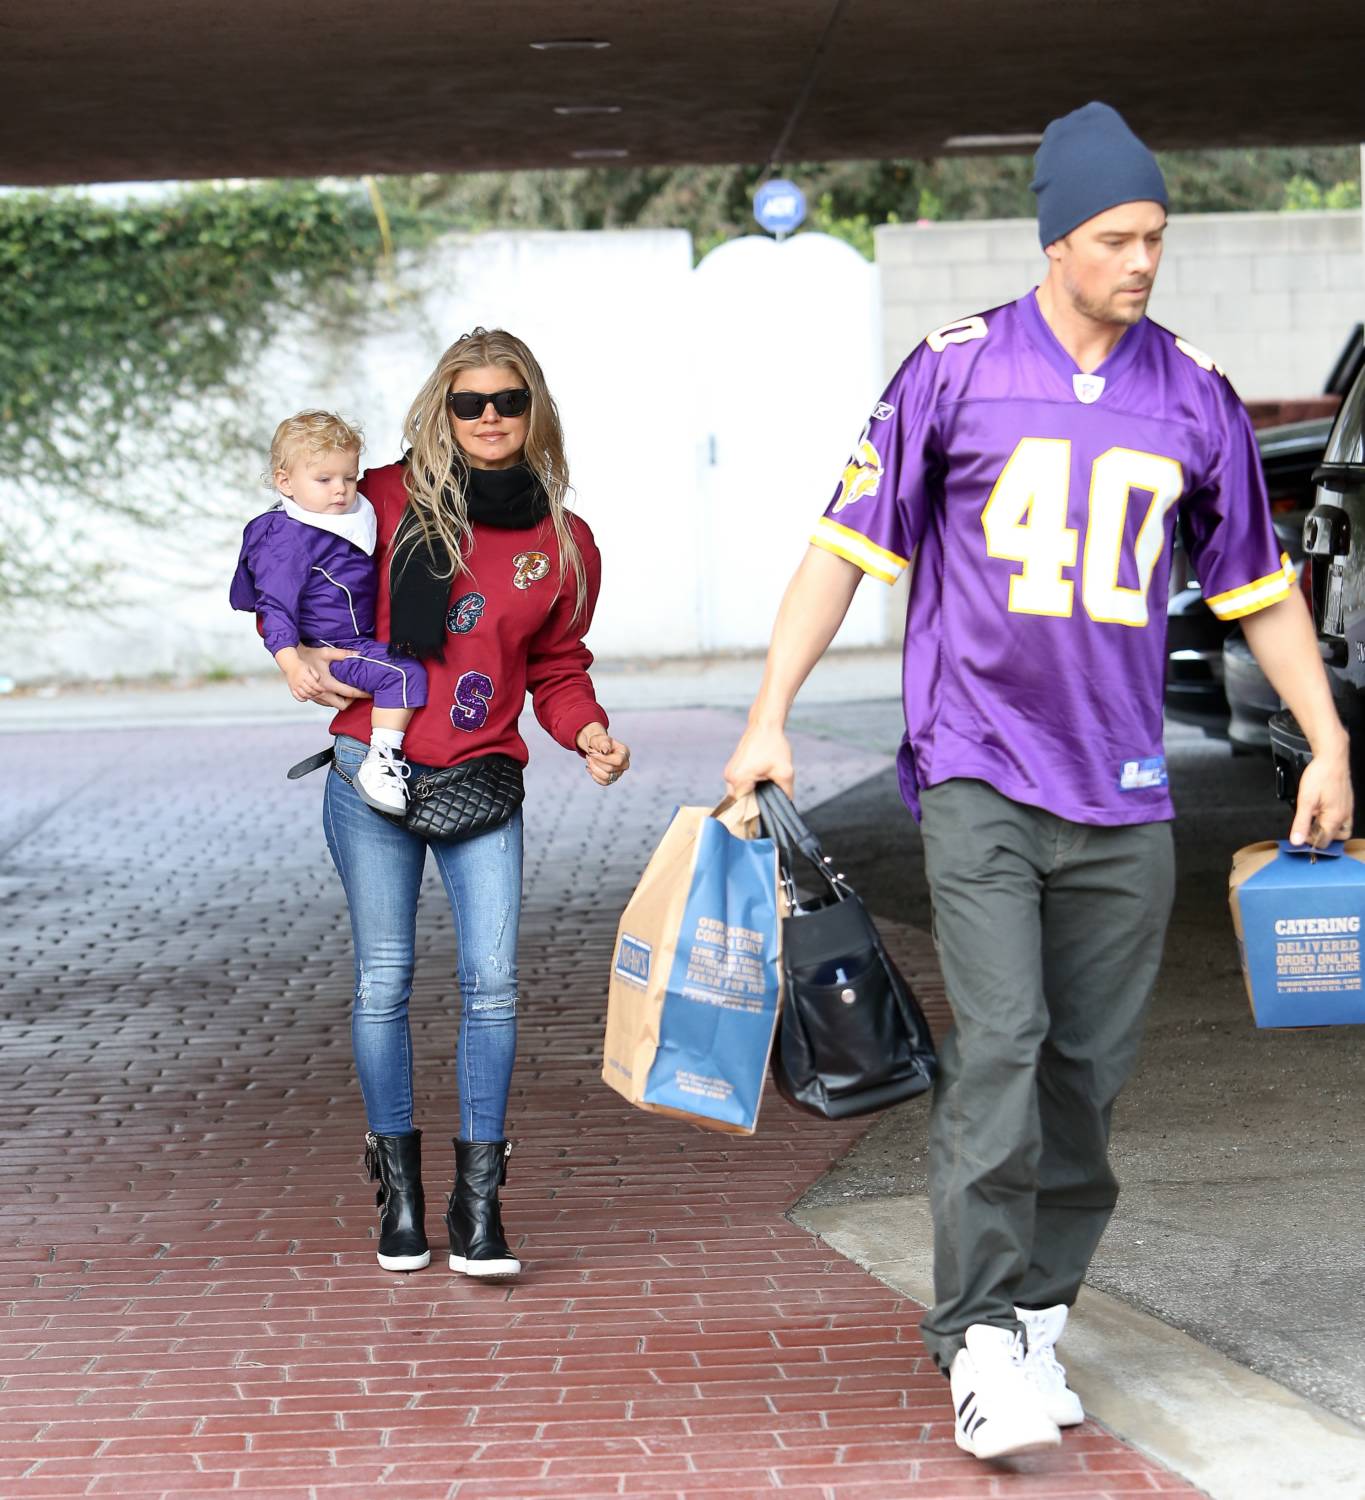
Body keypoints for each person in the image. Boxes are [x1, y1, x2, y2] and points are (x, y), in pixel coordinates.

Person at [724, 101, 1351, 1461]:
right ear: (1057, 238)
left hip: (1124, 791)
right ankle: (976, 1336)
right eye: (1118, 237)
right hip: (977, 774)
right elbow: (838, 548)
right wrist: (769, 711)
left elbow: (1260, 589)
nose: (1143, 259)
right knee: (1002, 1043)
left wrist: (1329, 736)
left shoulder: (1192, 395)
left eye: (1157, 237)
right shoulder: (950, 374)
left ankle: (1037, 1310)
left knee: (1088, 1069)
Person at [284, 329, 630, 1279]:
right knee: (383, 983)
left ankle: (479, 1206)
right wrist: (291, 652)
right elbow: (286, 556)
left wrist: (588, 730)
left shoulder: (565, 542)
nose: (487, 417)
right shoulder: (378, 501)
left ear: (534, 411)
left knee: (492, 989)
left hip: (482, 780)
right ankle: (398, 1197)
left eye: (506, 401)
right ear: (441, 408)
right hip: (371, 774)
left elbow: (557, 664)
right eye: (468, 401)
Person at [230, 411, 428, 813]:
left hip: (360, 637)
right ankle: (382, 762)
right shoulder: (287, 537)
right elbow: (275, 607)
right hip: (333, 649)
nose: (341, 490)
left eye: (349, 478)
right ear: (285, 482)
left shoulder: (346, 516)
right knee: (405, 674)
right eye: (324, 480)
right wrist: (293, 664)